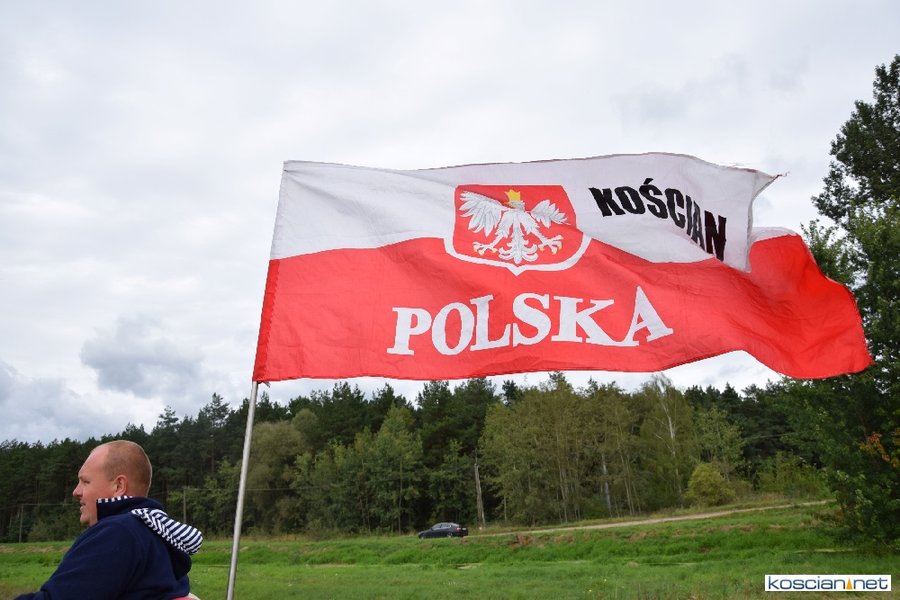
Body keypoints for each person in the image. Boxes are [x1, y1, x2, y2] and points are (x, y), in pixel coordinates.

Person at [15, 440, 203, 599]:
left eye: (85, 481)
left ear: (119, 486)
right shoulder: (154, 532)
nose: (76, 491)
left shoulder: (120, 532)